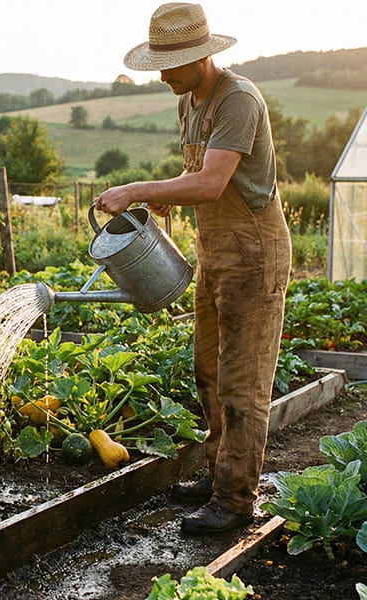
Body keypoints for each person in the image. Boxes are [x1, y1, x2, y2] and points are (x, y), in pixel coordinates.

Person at [95, 3, 291, 535]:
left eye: (171, 63)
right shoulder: (191, 100)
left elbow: (210, 185)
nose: (162, 75)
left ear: (201, 57)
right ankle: (216, 473)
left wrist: (138, 190)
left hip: (253, 253)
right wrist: (165, 196)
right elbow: (196, 173)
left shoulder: (239, 100)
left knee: (242, 383)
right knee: (208, 369)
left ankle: (235, 500)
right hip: (215, 251)